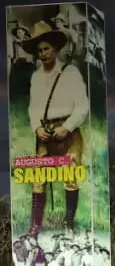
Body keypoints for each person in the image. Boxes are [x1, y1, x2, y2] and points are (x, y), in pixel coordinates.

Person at [25, 20, 89, 238]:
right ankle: (35, 229)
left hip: (68, 132)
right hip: (45, 133)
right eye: (39, 50)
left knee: (70, 175)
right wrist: (36, 127)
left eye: (46, 48)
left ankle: (68, 224)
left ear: (55, 48)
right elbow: (33, 108)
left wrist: (67, 126)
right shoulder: (35, 77)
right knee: (38, 178)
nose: (43, 53)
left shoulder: (70, 73)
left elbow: (83, 106)